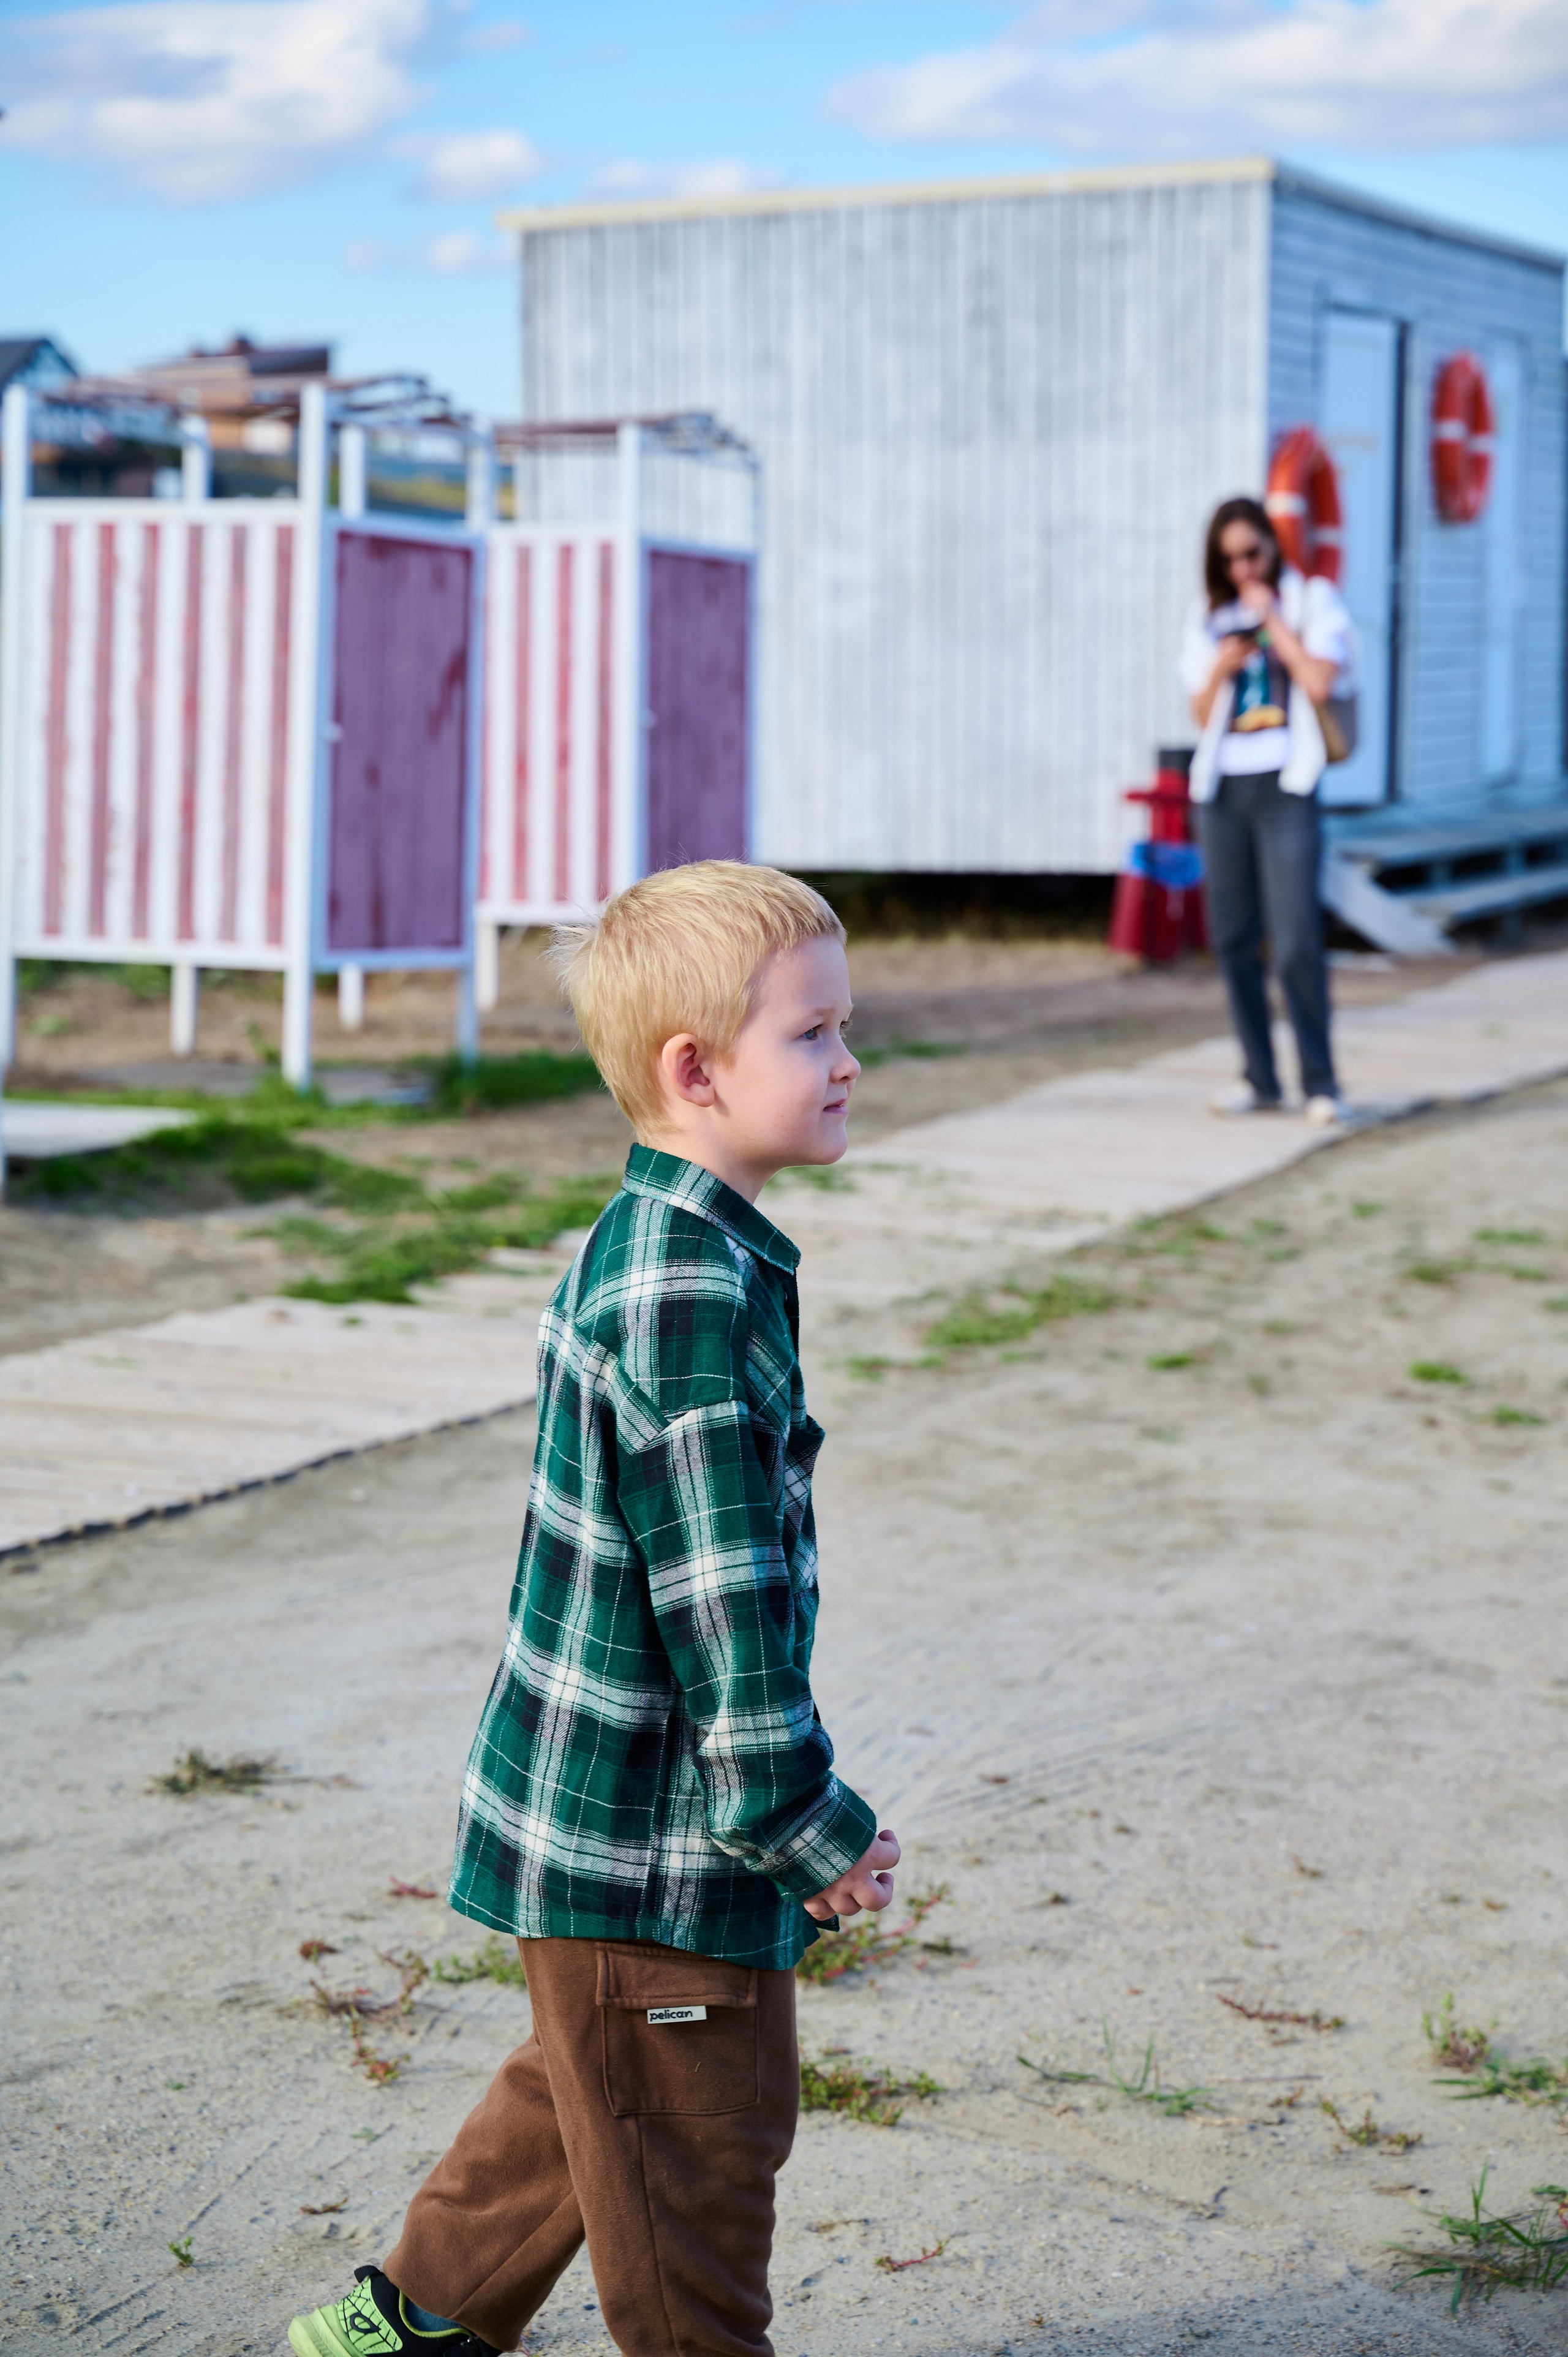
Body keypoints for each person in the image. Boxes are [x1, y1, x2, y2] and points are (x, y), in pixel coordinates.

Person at [288, 862, 897, 2357]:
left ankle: (409, 2320)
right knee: (690, 2166)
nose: (847, 1059)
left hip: (594, 1827)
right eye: (812, 1032)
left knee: (593, 2086)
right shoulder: (686, 1289)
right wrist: (802, 1825)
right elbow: (722, 1608)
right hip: (662, 1841)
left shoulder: (660, 1239)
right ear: (694, 1070)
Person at [1177, 496, 1355, 1125]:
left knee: (1297, 938)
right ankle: (1259, 1077)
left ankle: (1321, 1082)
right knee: (1231, 937)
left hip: (1288, 785)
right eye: (1229, 560)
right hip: (1224, 791)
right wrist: (1222, 665)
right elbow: (1201, 717)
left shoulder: (1312, 601)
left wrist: (1273, 624)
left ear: (1273, 546)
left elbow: (1321, 683)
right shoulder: (1207, 618)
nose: (1243, 570)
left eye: (1252, 553)